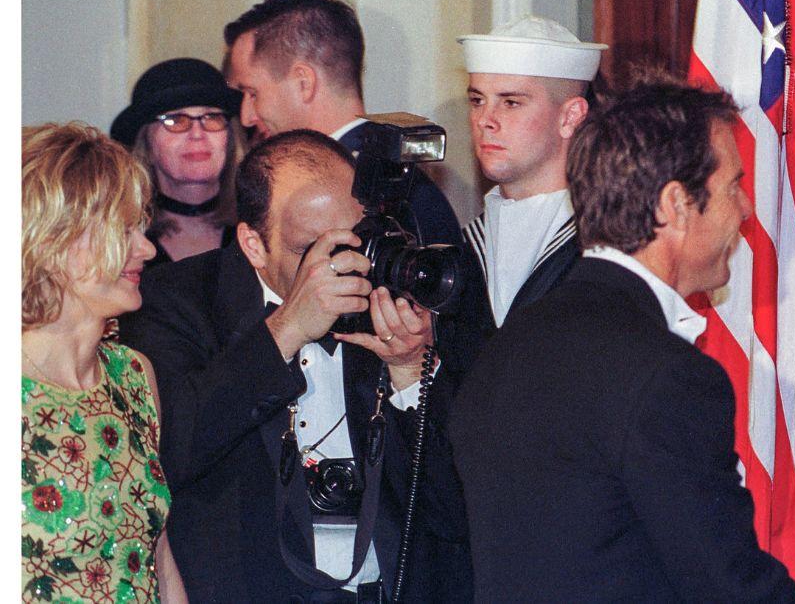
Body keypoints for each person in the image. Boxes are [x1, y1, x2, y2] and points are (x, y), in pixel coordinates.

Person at [450, 72, 795, 601]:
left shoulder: (509, 344)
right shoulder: (668, 376)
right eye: (733, 186)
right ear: (675, 205)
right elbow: (728, 585)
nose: (746, 209)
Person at [121, 131, 470, 601]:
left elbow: (454, 509)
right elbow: (170, 452)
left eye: (354, 241)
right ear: (253, 244)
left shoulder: (389, 298)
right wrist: (286, 329)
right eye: (312, 249)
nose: (343, 266)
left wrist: (411, 373)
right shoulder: (177, 301)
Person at [21, 123, 186, 602]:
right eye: (124, 231)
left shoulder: (134, 375)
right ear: (54, 242)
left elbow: (159, 559)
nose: (147, 249)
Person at [223, 0, 460, 247]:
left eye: (252, 93)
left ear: (304, 82)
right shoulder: (395, 179)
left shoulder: (356, 191)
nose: (246, 117)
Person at [443, 15, 603, 371]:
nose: (485, 120)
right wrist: (410, 365)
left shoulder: (606, 246)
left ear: (570, 117)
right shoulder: (463, 246)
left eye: (510, 102)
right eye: (477, 100)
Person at [111, 57, 247, 268]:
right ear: (146, 144)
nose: (197, 134)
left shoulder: (262, 226)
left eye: (212, 117)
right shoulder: (118, 240)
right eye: (175, 120)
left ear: (230, 138)